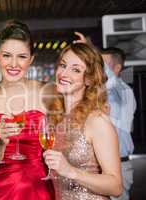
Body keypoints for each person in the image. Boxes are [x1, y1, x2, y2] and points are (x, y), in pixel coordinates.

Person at [0, 20, 55, 200]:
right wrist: (0, 144)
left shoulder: (47, 92)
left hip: (39, 190)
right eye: (7, 55)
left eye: (22, 56)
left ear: (31, 59)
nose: (14, 64)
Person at [43, 43, 122, 200]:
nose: (64, 73)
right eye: (63, 65)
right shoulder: (56, 119)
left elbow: (116, 186)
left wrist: (71, 171)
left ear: (88, 80)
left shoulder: (96, 121)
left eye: (76, 70)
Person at [101, 47, 136, 200]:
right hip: (102, 166)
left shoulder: (124, 91)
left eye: (104, 64)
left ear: (117, 68)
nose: (99, 67)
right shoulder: (104, 92)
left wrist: (90, 50)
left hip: (119, 166)